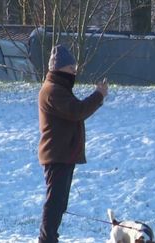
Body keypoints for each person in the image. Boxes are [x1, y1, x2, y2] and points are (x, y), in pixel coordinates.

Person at [37, 44, 108, 243]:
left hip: (62, 154)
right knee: (55, 202)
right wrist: (98, 95)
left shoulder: (59, 88)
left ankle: (50, 237)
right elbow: (77, 111)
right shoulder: (53, 90)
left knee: (59, 203)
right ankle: (47, 239)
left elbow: (76, 111)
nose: (74, 72)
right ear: (58, 68)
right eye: (71, 69)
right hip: (56, 154)